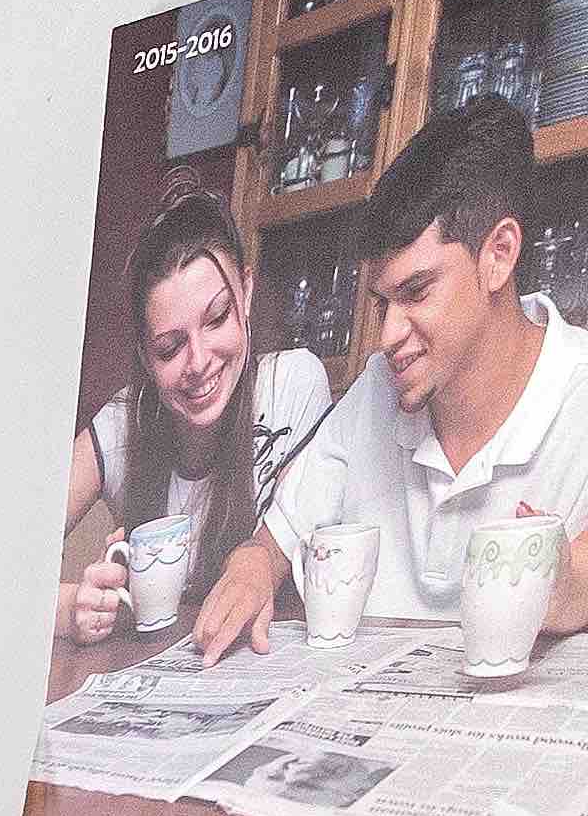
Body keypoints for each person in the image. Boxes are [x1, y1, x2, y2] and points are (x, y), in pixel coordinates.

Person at [193, 102, 588, 658]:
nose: (386, 336)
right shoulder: (377, 389)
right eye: (382, 304)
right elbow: (274, 540)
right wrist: (252, 565)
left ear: (498, 255)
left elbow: (577, 583)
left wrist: (569, 591)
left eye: (416, 292)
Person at [62, 187, 324, 645]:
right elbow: (0, 551)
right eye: (170, 347)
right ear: (145, 356)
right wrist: (67, 609)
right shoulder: (121, 424)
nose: (199, 362)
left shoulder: (292, 384)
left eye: (218, 318)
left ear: (245, 292)